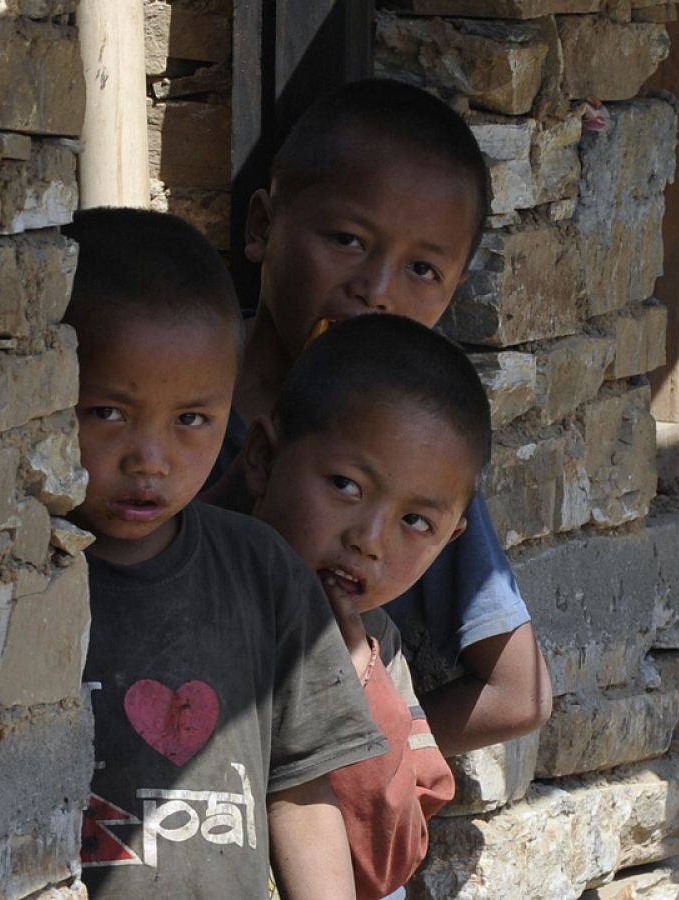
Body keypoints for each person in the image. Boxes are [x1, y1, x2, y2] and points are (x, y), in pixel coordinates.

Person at [206, 78, 553, 755]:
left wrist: (363, 752)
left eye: (422, 270)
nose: (376, 290)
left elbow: (520, 693)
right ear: (262, 228)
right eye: (346, 239)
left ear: (452, 295)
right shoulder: (180, 394)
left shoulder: (413, 462)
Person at [63, 207, 387, 899]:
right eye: (108, 413)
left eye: (191, 420)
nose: (151, 460)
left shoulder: (261, 572)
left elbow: (299, 787)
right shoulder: (17, 581)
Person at [243, 314, 497, 897]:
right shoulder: (202, 596)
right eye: (346, 486)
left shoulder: (378, 654)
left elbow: (385, 860)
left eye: (415, 521)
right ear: (262, 457)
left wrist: (354, 674)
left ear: (450, 540)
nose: (370, 539)